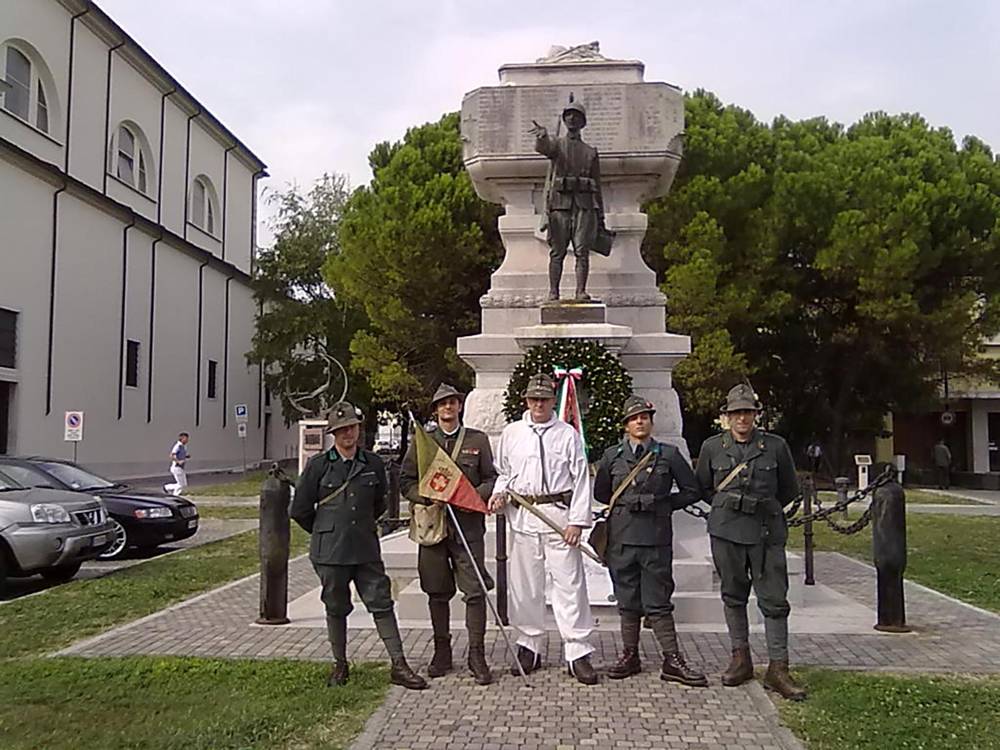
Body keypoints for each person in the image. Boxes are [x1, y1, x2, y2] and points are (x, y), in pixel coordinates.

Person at [291, 401, 427, 690]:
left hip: (364, 548)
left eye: (351, 428)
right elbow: (300, 509)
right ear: (333, 434)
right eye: (341, 430)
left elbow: (378, 502)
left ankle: (399, 664)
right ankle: (340, 664)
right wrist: (325, 530)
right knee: (336, 606)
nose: (347, 434)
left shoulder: (373, 463)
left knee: (381, 602)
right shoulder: (318, 466)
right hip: (331, 550)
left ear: (358, 429)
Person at [695, 384, 807, 701]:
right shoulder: (712, 448)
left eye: (747, 412)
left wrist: (760, 508)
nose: (742, 418)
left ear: (755, 416)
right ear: (727, 417)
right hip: (727, 531)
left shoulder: (775, 446)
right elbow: (704, 486)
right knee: (733, 595)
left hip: (766, 532)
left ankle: (778, 667)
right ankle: (740, 658)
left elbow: (788, 489)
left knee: (773, 599)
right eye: (736, 413)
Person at [489, 373, 598, 685]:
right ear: (526, 400)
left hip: (559, 518)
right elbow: (504, 472)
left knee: (569, 586)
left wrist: (578, 521)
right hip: (523, 517)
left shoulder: (567, 434)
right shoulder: (512, 433)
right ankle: (529, 645)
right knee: (525, 587)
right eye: (533, 399)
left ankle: (577, 651)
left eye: (544, 399)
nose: (538, 404)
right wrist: (500, 494)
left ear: (553, 401)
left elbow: (580, 479)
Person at [593, 395, 708, 686]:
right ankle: (629, 655)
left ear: (651, 422)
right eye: (634, 418)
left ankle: (672, 659)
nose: (639, 421)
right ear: (626, 425)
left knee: (658, 602)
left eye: (644, 417)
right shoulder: (612, 456)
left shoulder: (667, 455)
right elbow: (602, 492)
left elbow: (692, 490)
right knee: (627, 600)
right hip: (622, 538)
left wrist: (662, 503)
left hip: (655, 539)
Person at [400, 383, 497, 685]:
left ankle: (477, 654)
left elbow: (491, 477)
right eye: (442, 404)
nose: (448, 409)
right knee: (436, 591)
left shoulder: (477, 441)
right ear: (435, 410)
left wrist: (473, 497)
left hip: (467, 528)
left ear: (459, 407)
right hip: (434, 527)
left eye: (453, 403)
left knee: (475, 591)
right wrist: (427, 497)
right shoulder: (424, 443)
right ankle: (442, 651)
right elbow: (406, 481)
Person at [530, 99, 608, 302]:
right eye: (569, 115)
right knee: (558, 252)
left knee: (582, 251)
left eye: (577, 116)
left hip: (584, 206)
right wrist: (543, 136)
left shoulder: (591, 152)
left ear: (583, 122)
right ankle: (553, 292)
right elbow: (544, 148)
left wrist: (601, 216)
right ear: (564, 120)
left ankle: (580, 291)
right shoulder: (556, 144)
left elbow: (597, 185)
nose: (572, 118)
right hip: (560, 205)